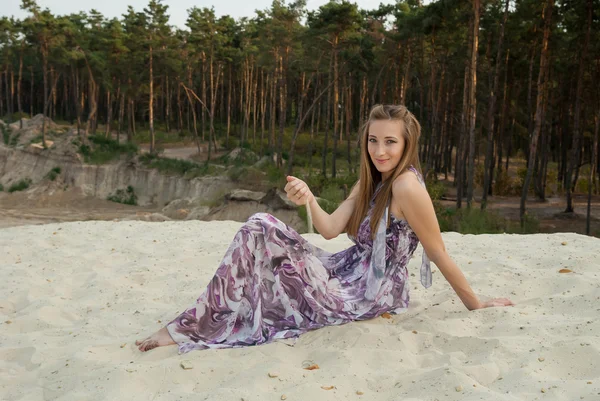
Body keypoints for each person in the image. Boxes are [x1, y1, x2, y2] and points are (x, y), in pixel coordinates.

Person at [136, 104, 514, 353]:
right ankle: (201, 320)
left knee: (260, 226)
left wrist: (475, 303)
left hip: (372, 291)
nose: (379, 151)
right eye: (373, 140)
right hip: (343, 269)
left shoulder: (405, 187)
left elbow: (437, 251)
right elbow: (331, 229)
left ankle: (189, 327)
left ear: (407, 144)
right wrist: (309, 198)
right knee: (260, 232)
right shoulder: (372, 180)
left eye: (390, 142)